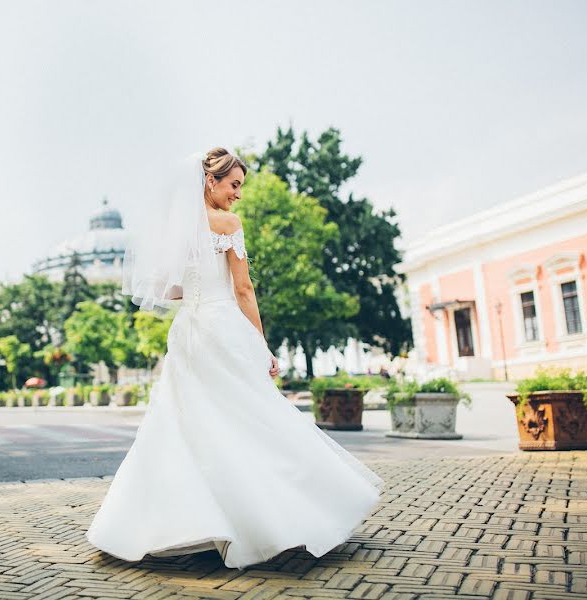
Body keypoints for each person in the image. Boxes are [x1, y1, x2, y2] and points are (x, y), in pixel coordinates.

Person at [85, 147, 385, 570]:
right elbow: (243, 290)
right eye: (234, 185)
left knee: (185, 422)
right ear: (211, 181)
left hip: (189, 330)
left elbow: (168, 289)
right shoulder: (227, 224)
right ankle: (273, 518)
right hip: (223, 327)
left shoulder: (177, 230)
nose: (238, 195)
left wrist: (196, 288)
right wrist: (261, 345)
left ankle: (163, 524)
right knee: (251, 415)